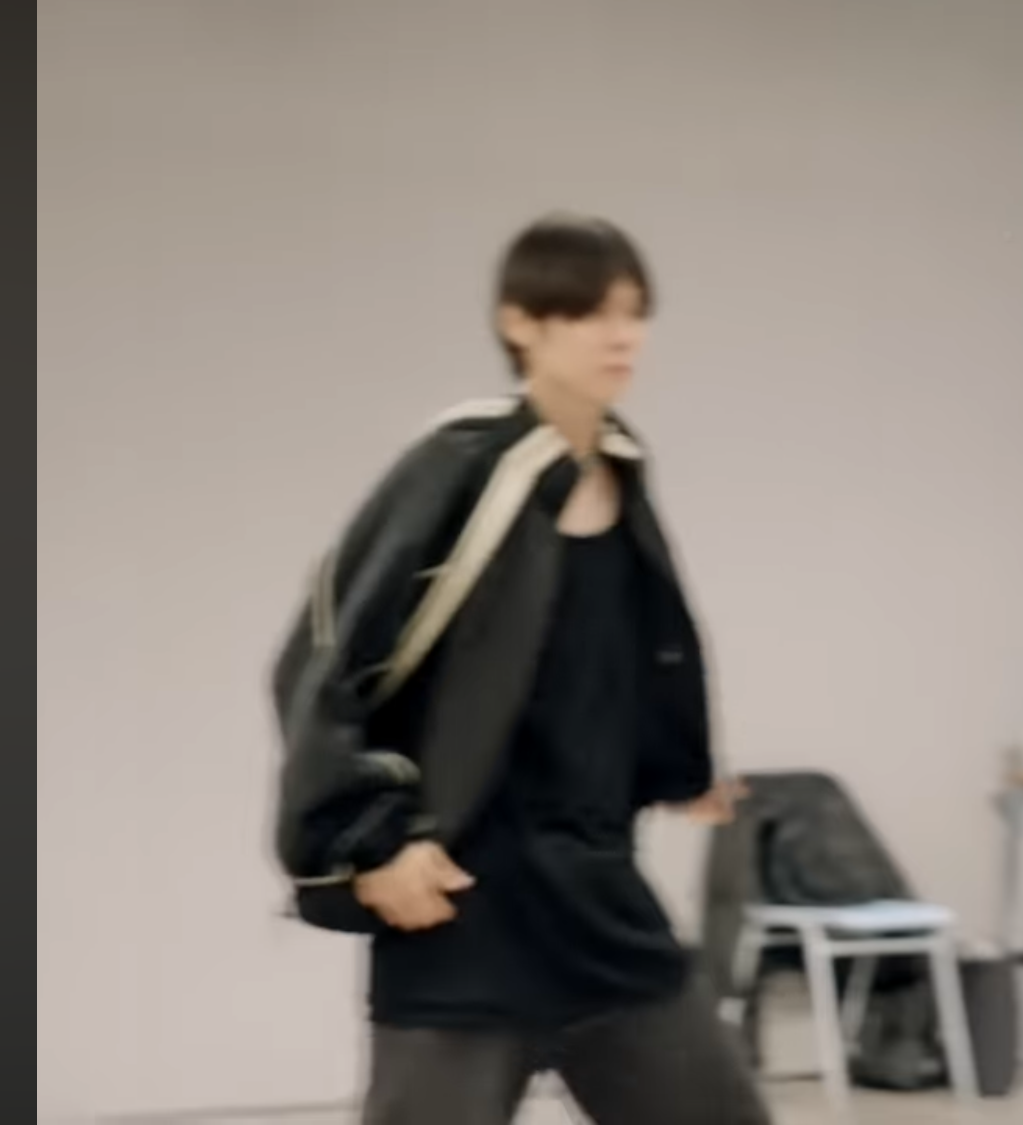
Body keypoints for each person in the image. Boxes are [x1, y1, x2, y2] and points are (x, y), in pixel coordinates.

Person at [268, 213, 771, 1125]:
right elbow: (317, 662)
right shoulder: (464, 465)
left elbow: (605, 663)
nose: (621, 335)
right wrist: (369, 841)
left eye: (634, 312)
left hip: (598, 898)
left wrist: (676, 763)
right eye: (587, 312)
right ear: (519, 323)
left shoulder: (620, 469)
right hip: (463, 905)